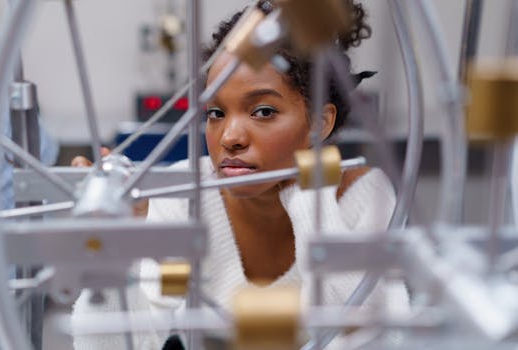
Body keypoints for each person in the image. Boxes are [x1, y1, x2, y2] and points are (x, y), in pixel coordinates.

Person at [72, 1, 406, 348]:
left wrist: (309, 193)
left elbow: (382, 336)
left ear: (320, 123)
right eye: (216, 112)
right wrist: (116, 246)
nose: (230, 137)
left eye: (262, 111)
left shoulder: (365, 196)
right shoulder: (182, 193)